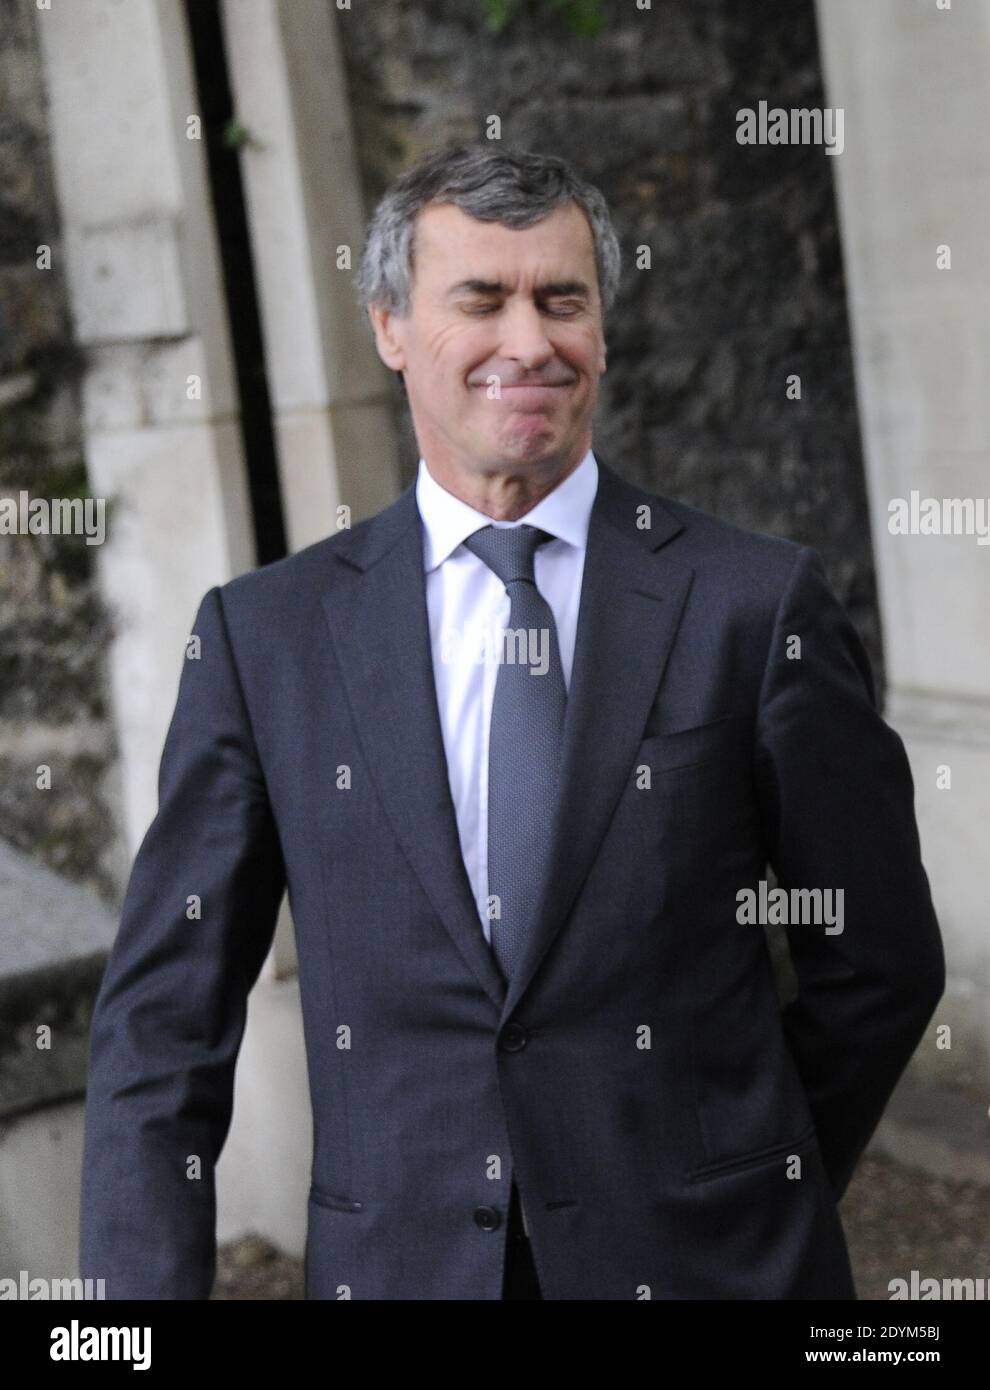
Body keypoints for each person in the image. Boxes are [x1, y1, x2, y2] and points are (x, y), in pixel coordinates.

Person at [80, 143, 945, 1300]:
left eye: (562, 300)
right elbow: (162, 1024)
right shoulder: (264, 640)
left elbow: (879, 961)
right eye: (480, 300)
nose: (529, 342)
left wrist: (746, 1180)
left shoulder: (753, 604)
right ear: (390, 325)